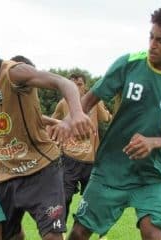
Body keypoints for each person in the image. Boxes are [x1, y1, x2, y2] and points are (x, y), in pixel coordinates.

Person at [51, 5, 161, 239]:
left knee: (154, 234)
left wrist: (152, 142)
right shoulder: (129, 63)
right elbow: (88, 100)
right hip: (111, 168)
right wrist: (70, 121)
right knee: (79, 233)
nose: (152, 45)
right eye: (151, 37)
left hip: (150, 174)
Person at [0, 28, 93, 240]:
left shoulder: (14, 73)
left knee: (52, 236)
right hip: (6, 175)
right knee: (10, 236)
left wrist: (76, 113)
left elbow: (62, 82)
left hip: (41, 170)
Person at [51, 73, 112, 240]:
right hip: (68, 160)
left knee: (96, 199)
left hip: (91, 161)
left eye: (79, 84)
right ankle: (60, 233)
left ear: (84, 86)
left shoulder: (96, 102)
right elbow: (52, 122)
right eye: (72, 84)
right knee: (64, 197)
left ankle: (101, 235)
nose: (76, 87)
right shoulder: (63, 104)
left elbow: (107, 117)